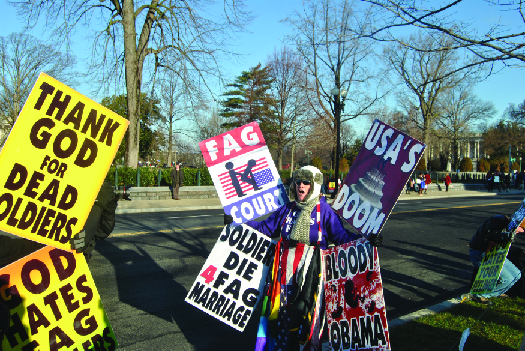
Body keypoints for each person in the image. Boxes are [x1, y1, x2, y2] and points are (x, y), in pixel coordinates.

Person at [229, 166, 382, 350]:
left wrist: (366, 240)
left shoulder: (324, 211)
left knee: (305, 319)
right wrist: (236, 220)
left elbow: (342, 237)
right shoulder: (287, 209)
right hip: (283, 276)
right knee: (282, 317)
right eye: (298, 181)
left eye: (306, 182)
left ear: (315, 185)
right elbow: (265, 229)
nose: (300, 185)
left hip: (311, 277)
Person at [468, 214, 523, 303]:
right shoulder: (498, 219)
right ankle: (479, 295)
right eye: (520, 229)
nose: (520, 231)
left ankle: (496, 292)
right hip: (481, 253)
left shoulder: (506, 224)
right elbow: (489, 234)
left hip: (495, 252)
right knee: (508, 278)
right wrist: (507, 235)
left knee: (516, 274)